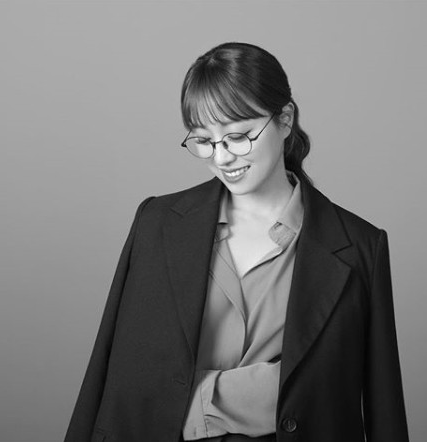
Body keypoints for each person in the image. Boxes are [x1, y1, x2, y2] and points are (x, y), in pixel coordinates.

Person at [65, 42, 409, 442]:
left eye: (238, 136)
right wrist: (257, 393)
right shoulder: (157, 223)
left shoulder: (361, 247)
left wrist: (200, 399)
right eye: (204, 140)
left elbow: (380, 408)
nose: (222, 157)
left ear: (285, 119)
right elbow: (114, 371)